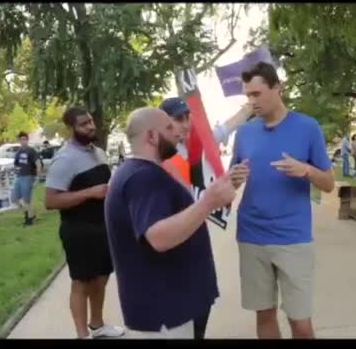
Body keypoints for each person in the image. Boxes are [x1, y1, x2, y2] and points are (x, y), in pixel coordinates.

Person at [104, 108, 235, 339]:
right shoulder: (143, 178)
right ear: (152, 136)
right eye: (169, 127)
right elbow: (159, 237)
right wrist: (208, 202)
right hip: (165, 310)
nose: (178, 131)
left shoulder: (142, 172)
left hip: (168, 303)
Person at [229, 62, 335, 339]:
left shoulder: (307, 127)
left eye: (257, 94)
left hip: (293, 238)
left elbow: (329, 183)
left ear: (278, 88)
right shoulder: (245, 133)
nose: (252, 101)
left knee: (299, 321)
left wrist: (306, 170)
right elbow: (231, 180)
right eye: (248, 95)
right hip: (252, 236)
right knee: (264, 314)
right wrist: (233, 179)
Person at [45, 107, 124, 339]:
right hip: (78, 230)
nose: (90, 126)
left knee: (101, 277)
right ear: (71, 129)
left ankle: (97, 326)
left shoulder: (98, 152)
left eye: (90, 121)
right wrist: (89, 193)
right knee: (81, 282)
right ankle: (82, 335)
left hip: (103, 227)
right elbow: (50, 201)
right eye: (83, 124)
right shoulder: (64, 159)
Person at [158, 97, 253, 193]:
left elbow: (227, 128)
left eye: (187, 118)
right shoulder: (157, 158)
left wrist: (250, 107)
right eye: (178, 119)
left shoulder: (202, 143)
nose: (186, 125)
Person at [12, 132, 39, 226]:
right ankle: (29, 214)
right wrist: (16, 170)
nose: (23, 141)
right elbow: (15, 165)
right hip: (19, 177)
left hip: (28, 177)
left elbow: (38, 163)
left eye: (25, 139)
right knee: (14, 199)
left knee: (26, 200)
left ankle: (30, 219)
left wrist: (37, 178)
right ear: (19, 141)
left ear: (27, 140)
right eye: (21, 139)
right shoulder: (18, 152)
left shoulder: (31, 151)